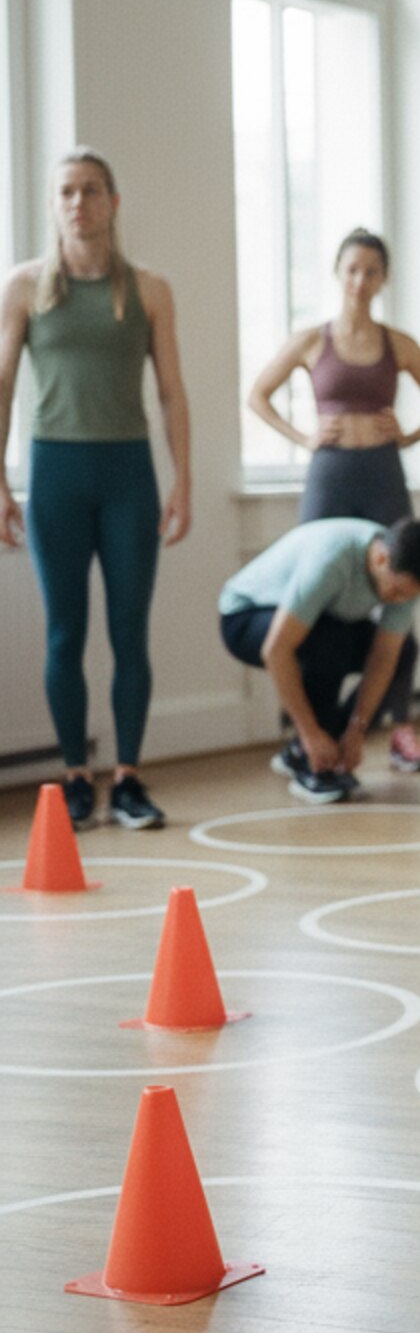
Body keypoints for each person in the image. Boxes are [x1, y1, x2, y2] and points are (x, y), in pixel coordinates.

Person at [0, 149, 191, 831]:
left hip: (128, 477)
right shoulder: (24, 288)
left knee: (129, 633)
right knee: (63, 635)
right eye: (67, 193)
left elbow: (171, 391)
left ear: (112, 202)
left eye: (90, 191)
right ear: (54, 206)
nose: (78, 203)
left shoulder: (148, 290)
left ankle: (129, 779)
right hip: (54, 476)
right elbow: (1, 388)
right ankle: (76, 778)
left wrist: (183, 483)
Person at [245, 228, 420, 772]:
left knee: (402, 603)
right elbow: (258, 395)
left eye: (372, 271)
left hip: (383, 474)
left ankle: (398, 729)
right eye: (352, 269)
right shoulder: (313, 340)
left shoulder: (398, 343)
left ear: (384, 280)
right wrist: (302, 438)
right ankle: (309, 736)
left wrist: (407, 434)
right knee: (314, 609)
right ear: (339, 274)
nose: (361, 280)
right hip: (330, 475)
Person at [218, 516, 420, 803]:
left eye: (410, 595)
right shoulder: (332, 561)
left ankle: (318, 753)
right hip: (245, 616)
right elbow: (276, 650)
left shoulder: (407, 578)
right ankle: (309, 760)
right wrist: (310, 733)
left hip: (321, 624)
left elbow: (385, 655)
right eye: (397, 590)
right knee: (329, 642)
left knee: (404, 650)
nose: (400, 600)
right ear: (380, 558)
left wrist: (357, 728)